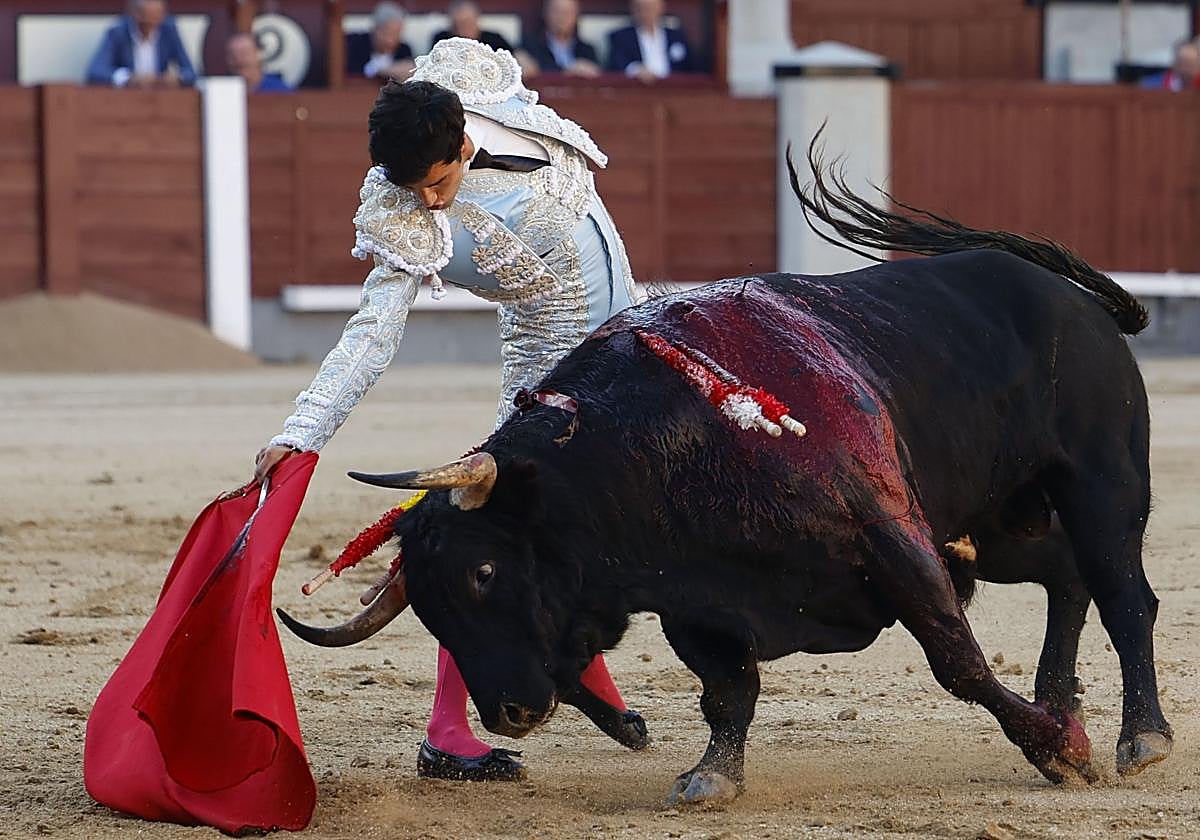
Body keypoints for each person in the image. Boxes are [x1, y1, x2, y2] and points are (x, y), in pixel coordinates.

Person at [253, 38, 645, 782]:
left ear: (464, 140)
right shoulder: (403, 216)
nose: (429, 202)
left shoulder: (470, 83)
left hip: (630, 331)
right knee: (487, 540)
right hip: (549, 371)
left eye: (438, 182)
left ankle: (581, 666)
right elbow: (372, 336)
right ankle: (446, 731)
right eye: (414, 188)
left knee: (600, 521)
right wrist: (302, 431)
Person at [86, 0, 197, 87]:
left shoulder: (169, 31)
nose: (150, 27)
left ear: (162, 16)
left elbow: (191, 72)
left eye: (155, 21)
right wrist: (128, 78)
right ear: (133, 14)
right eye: (144, 22)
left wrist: (177, 78)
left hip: (160, 97)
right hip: (126, 99)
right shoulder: (117, 33)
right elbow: (95, 71)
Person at [605, 0, 695, 82]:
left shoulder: (677, 36)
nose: (645, 12)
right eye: (640, 8)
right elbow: (616, 62)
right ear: (633, 9)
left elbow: (694, 66)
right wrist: (636, 70)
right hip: (639, 89)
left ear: (660, 8)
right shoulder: (620, 37)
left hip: (674, 89)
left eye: (649, 7)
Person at [522, 0, 601, 78]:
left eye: (567, 12)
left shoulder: (587, 50)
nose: (561, 17)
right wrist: (568, 71)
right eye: (556, 11)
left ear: (577, 16)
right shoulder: (530, 47)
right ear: (545, 13)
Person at [347, 1, 415, 82]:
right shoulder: (355, 45)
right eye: (387, 33)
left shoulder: (404, 49)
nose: (390, 40)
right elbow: (352, 73)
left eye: (396, 34)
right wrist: (382, 71)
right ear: (375, 29)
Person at [226, 33, 292, 93]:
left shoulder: (279, 91)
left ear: (258, 55)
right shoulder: (223, 92)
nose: (239, 60)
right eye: (233, 55)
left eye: (244, 54)